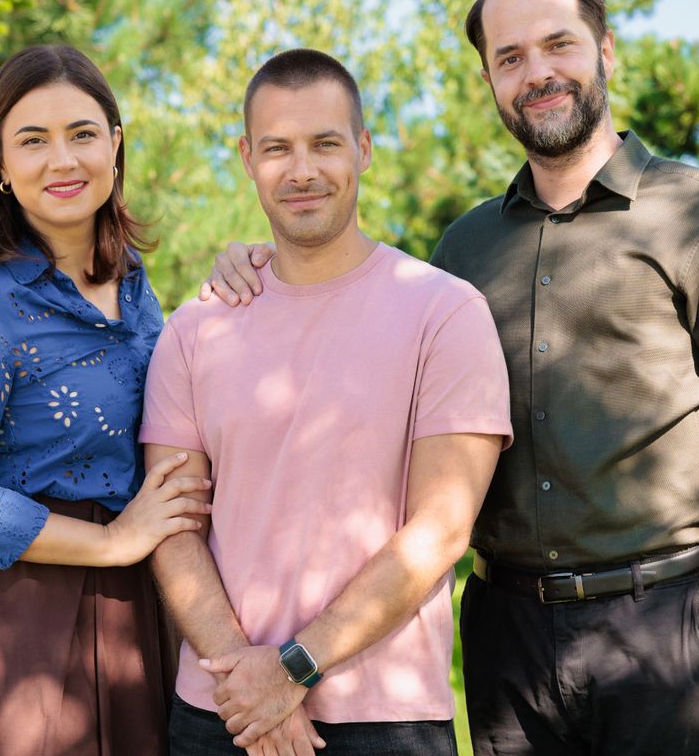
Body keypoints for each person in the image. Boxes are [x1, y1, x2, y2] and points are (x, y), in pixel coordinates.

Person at [206, 0, 699, 755]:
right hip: (507, 638)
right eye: (510, 58)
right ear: (491, 80)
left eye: (558, 45)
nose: (538, 73)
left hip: (662, 627)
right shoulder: (464, 248)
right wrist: (257, 263)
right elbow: (355, 305)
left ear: (605, 50)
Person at [140, 48, 513, 756]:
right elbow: (173, 526)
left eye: (325, 144)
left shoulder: (443, 313)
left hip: (384, 717)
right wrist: (247, 678)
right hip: (220, 710)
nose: (302, 170)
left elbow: (441, 528)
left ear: (363, 149)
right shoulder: (195, 329)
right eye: (278, 147)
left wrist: (293, 668)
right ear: (248, 158)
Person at [0, 44, 210, 756]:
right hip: (18, 624)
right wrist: (111, 543)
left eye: (81, 133)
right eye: (33, 140)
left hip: (136, 613)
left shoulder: (136, 288)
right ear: (0, 167)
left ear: (115, 145)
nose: (63, 160)